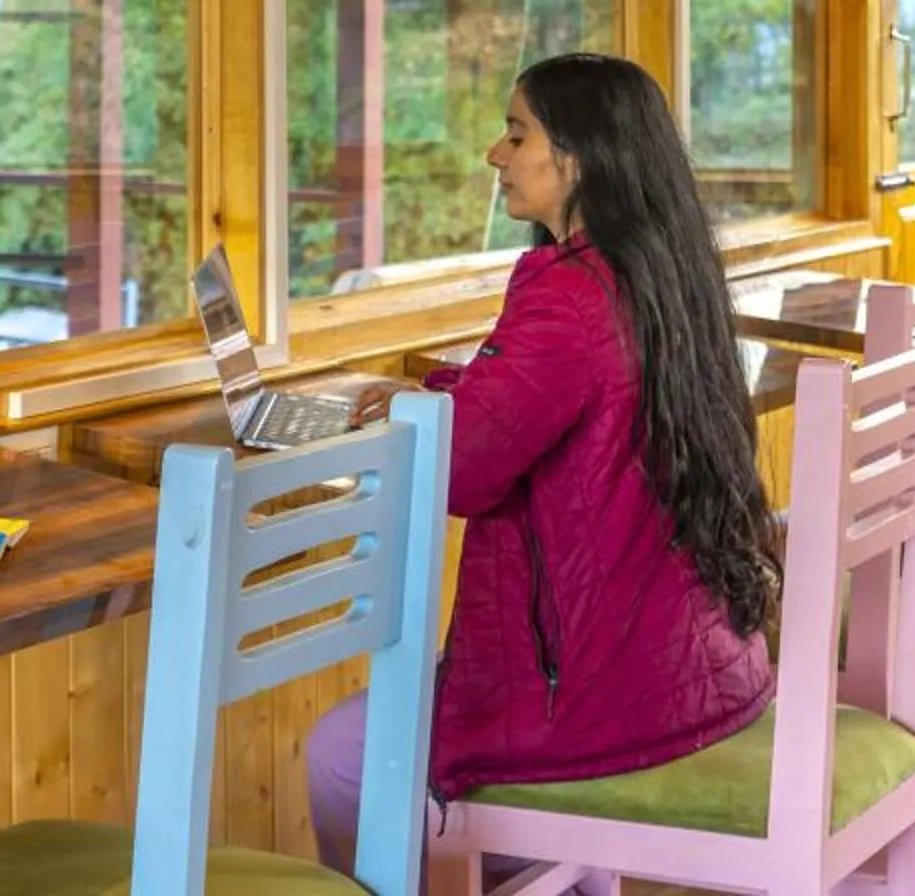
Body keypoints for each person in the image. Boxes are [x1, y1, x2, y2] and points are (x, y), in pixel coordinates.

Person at [304, 52, 781, 869]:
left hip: (605, 696)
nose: (496, 153)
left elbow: (461, 472)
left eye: (516, 133)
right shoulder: (664, 273)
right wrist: (449, 394)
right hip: (702, 668)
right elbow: (529, 399)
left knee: (342, 757)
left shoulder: (568, 295)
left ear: (580, 156)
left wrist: (416, 413)